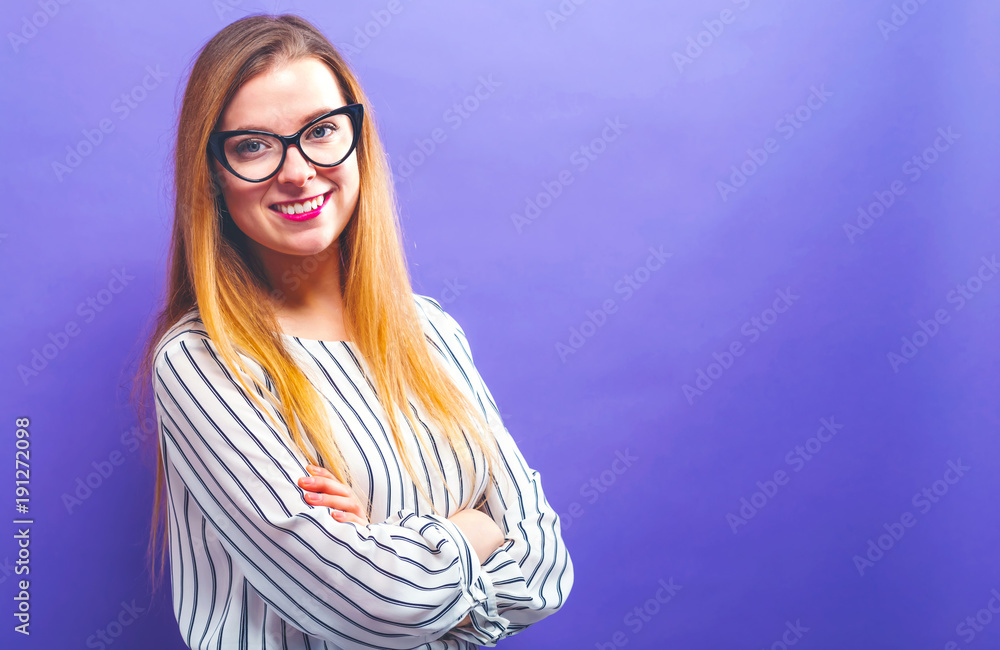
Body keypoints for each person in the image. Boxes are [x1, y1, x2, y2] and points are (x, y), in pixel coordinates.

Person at [131, 13, 573, 650]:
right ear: (212, 174)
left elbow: (547, 570)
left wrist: (383, 543)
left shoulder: (432, 330)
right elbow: (372, 606)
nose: (298, 171)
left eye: (321, 131)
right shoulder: (202, 362)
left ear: (357, 141)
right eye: (253, 145)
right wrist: (473, 530)